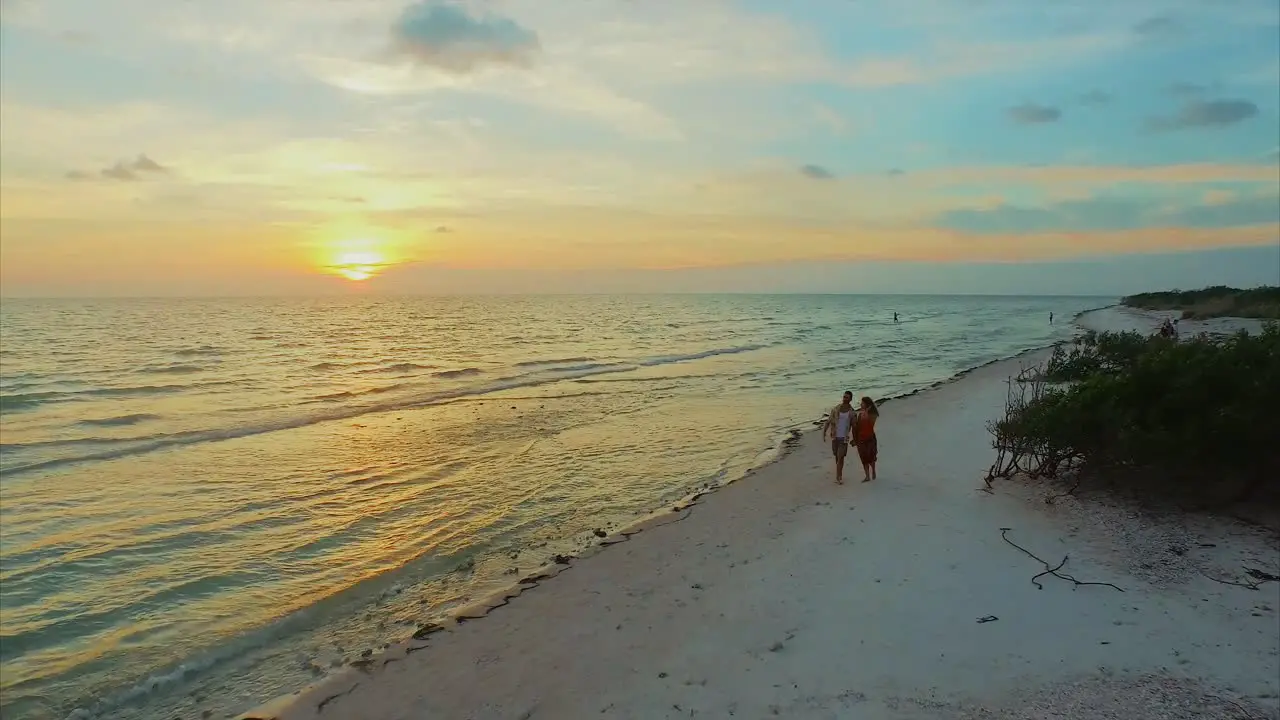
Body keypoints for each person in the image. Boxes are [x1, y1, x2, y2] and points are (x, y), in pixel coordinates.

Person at [823, 391, 856, 485]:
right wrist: (824, 432)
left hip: (844, 438)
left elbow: (854, 426)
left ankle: (839, 477)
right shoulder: (836, 409)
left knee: (841, 457)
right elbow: (829, 421)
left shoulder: (852, 412)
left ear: (850, 399)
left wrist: (855, 438)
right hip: (835, 437)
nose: (845, 398)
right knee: (837, 456)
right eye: (844, 397)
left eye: (847, 397)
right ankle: (839, 474)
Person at [854, 396, 879, 482]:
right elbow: (858, 427)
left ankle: (873, 471)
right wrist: (855, 439)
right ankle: (867, 476)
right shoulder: (860, 414)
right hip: (861, 438)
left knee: (871, 457)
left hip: (870, 438)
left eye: (862, 403)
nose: (861, 404)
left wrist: (867, 414)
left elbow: (871, 425)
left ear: (867, 404)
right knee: (863, 458)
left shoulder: (873, 414)